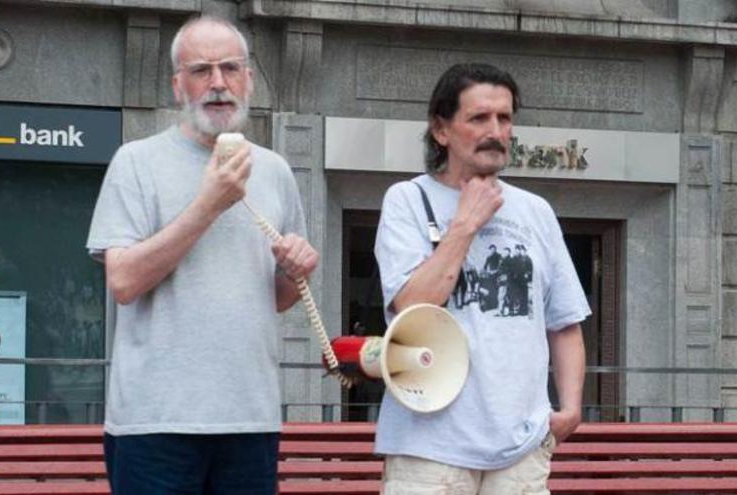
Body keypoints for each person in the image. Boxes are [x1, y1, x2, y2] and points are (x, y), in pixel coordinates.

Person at [85, 15, 318, 495]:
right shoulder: (136, 162)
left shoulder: (274, 170)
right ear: (178, 86)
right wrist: (208, 204)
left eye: (230, 69)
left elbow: (274, 297)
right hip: (155, 422)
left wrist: (298, 271)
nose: (218, 83)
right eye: (201, 70)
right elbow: (123, 282)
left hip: (249, 417)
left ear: (249, 80)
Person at [374, 63, 589, 494]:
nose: (495, 130)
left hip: (521, 446)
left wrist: (570, 408)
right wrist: (464, 224)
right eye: (478, 118)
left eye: (504, 118)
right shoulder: (407, 201)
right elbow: (413, 308)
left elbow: (564, 321)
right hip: (429, 446)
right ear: (441, 130)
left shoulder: (535, 211)